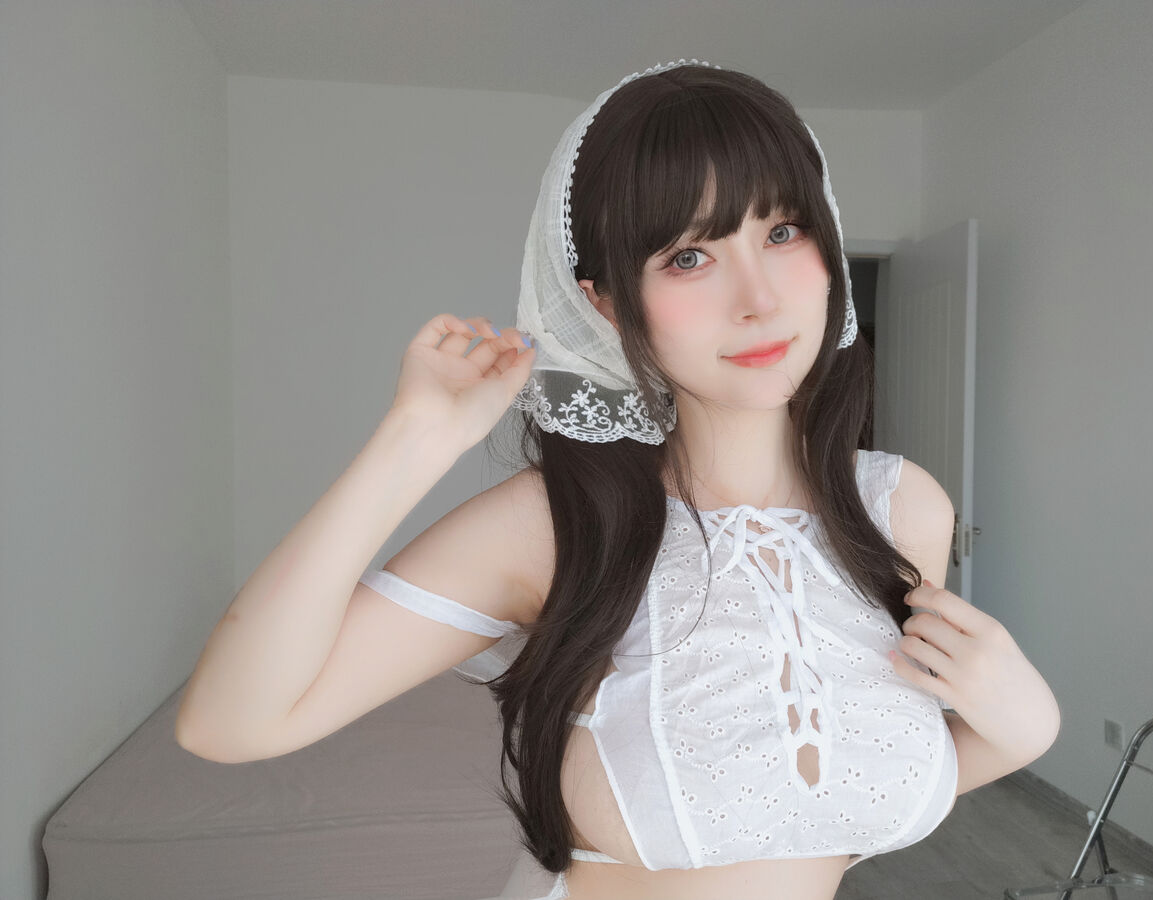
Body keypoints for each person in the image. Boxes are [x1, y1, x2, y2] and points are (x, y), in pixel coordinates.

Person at [175, 60, 1061, 900]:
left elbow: (819, 802)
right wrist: (411, 442)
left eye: (782, 232)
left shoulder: (902, 508)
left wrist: (1021, 731)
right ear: (604, 302)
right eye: (688, 256)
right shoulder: (555, 527)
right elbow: (229, 723)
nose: (757, 298)